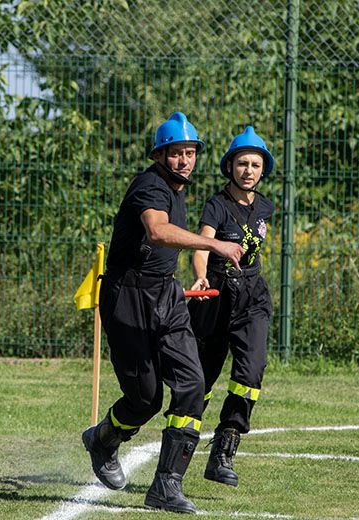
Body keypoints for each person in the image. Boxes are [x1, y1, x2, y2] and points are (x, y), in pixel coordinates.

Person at [82, 112, 245, 514]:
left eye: (190, 153)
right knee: (145, 400)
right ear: (160, 155)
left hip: (167, 295)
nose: (185, 160)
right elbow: (157, 231)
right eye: (176, 153)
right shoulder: (150, 186)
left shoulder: (178, 192)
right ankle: (103, 439)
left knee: (192, 385)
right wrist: (214, 246)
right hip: (127, 297)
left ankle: (166, 485)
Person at [187, 126, 275, 487]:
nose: (249, 170)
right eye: (242, 163)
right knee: (200, 382)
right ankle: (179, 450)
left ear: (262, 170)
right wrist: (201, 276)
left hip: (253, 297)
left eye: (256, 164)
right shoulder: (216, 205)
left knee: (251, 373)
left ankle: (224, 448)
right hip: (216, 296)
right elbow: (201, 246)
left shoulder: (266, 206)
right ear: (230, 167)